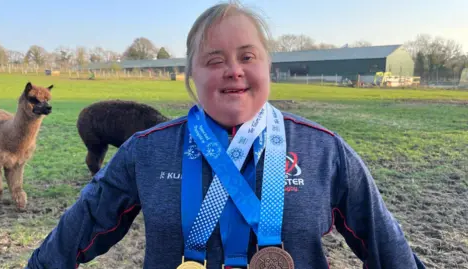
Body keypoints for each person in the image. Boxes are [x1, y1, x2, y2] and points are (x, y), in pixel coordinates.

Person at [25, 1, 426, 269]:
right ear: (191, 75)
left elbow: (391, 252)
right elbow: (71, 238)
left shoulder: (325, 150)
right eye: (214, 60)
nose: (233, 70)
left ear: (268, 67)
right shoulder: (146, 152)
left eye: (247, 57)